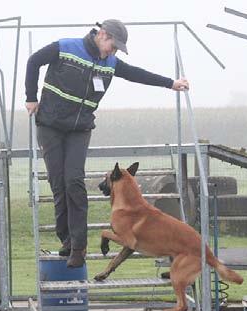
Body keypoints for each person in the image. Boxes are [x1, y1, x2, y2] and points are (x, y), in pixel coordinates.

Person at [25, 19, 189, 268]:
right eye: (113, 45)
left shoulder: (110, 63)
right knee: (58, 184)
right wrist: (30, 97)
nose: (113, 52)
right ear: (102, 34)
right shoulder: (66, 47)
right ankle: (67, 239)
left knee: (74, 181)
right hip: (50, 126)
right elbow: (33, 61)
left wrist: (170, 83)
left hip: (79, 129)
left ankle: (78, 247)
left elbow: (137, 74)